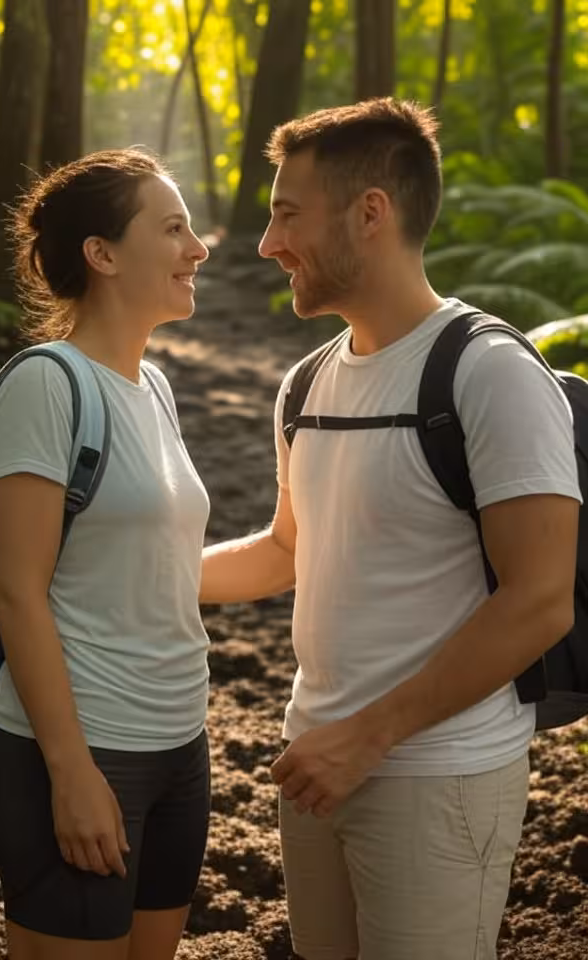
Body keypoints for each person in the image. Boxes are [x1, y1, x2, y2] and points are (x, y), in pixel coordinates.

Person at [200, 99, 581, 960]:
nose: (267, 244)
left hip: (435, 774)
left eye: (286, 214)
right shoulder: (305, 384)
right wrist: (137, 573)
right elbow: (289, 552)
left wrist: (366, 737)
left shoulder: (489, 372)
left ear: (371, 212)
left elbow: (540, 601)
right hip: (316, 764)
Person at [0, 148, 211, 960]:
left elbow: (154, 567)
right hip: (84, 751)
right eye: (174, 227)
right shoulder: (45, 384)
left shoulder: (155, 388)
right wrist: (71, 771)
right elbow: (15, 589)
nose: (199, 248)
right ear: (102, 254)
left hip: (182, 745)